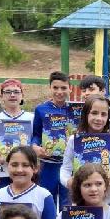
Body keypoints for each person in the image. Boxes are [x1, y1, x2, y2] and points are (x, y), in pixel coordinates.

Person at [59, 93, 110, 198]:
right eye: (94, 113)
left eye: (103, 114)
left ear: (108, 117)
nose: (99, 118)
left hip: (108, 201)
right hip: (80, 201)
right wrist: (68, 181)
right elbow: (65, 168)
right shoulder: (74, 140)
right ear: (86, 114)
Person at [0, 145, 58, 219]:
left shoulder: (44, 196)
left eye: (25, 165)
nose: (19, 170)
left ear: (35, 168)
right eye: (14, 165)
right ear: (7, 166)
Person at [32, 71, 77, 200]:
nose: (59, 91)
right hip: (48, 164)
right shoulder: (41, 109)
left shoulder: (76, 110)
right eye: (55, 87)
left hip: (70, 165)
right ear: (50, 88)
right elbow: (36, 134)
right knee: (47, 200)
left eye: (63, 88)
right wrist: (35, 146)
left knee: (68, 202)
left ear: (70, 88)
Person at [0, 78, 34, 183]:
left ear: (22, 95)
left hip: (25, 168)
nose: (12, 95)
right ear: (1, 96)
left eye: (16, 92)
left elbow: (35, 141)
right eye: (8, 92)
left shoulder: (31, 118)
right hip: (3, 170)